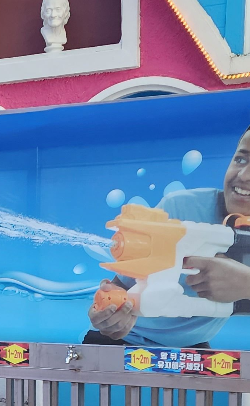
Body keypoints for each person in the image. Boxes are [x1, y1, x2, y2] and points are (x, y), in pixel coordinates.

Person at [87, 127, 250, 347]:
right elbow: (120, 287)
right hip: (126, 340)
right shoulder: (180, 207)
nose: (244, 176)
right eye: (240, 159)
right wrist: (109, 315)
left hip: (191, 347)